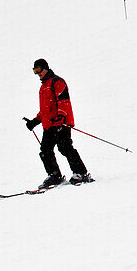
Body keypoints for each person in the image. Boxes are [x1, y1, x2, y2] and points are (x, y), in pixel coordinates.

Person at [23, 59, 92, 189]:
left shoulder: (57, 81)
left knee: (64, 147)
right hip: (49, 125)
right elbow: (45, 109)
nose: (37, 73)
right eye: (34, 71)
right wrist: (34, 121)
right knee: (45, 151)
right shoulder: (43, 86)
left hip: (61, 123)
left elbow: (64, 100)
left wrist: (61, 116)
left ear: (45, 68)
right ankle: (54, 175)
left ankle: (81, 173)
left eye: (38, 70)